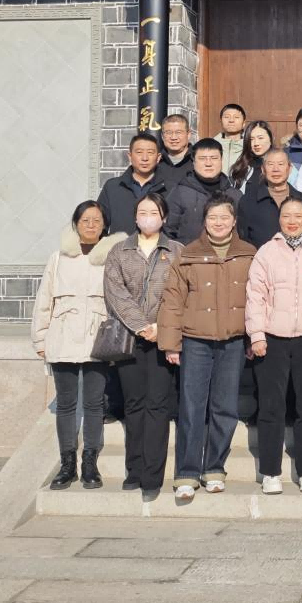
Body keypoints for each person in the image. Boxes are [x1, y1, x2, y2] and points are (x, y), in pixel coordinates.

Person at [157, 195, 256, 501]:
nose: (219, 223)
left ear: (234, 221)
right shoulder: (188, 255)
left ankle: (214, 467)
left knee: (225, 407)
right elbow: (172, 301)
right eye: (213, 218)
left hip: (233, 341)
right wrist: (171, 343)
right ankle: (187, 472)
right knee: (192, 406)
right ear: (204, 221)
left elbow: (257, 299)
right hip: (195, 340)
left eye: (224, 217)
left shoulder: (248, 254)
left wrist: (253, 337)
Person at [31, 200, 126, 491]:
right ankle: (67, 463)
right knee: (66, 403)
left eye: (97, 220)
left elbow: (119, 300)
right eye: (85, 220)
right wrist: (40, 338)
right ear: (76, 223)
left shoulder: (111, 257)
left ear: (104, 225)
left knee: (94, 403)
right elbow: (44, 299)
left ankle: (89, 462)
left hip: (97, 338)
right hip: (62, 335)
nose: (91, 225)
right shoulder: (58, 258)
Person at [245, 197, 302, 495]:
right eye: (286, 216)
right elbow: (255, 295)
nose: (292, 221)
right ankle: (270, 471)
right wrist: (256, 334)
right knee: (271, 406)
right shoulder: (266, 252)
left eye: (298, 216)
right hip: (273, 338)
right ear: (279, 219)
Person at [103, 192, 182, 500]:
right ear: (135, 217)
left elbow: (180, 293)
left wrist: (161, 326)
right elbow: (115, 292)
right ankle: (134, 469)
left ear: (164, 217)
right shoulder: (119, 251)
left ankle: (152, 475)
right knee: (134, 403)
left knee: (158, 405)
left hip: (165, 337)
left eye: (154, 212)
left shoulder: (176, 251)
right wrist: (141, 326)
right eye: (143, 212)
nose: (148, 217)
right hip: (130, 337)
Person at [165, 139, 242, 244]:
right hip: (189, 252)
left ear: (221, 160)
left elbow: (242, 231)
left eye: (214, 158)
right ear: (193, 161)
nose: (208, 163)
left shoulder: (234, 195)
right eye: (202, 158)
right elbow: (168, 231)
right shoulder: (180, 193)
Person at [236, 147, 302, 248]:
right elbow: (243, 238)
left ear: (290, 169)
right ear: (263, 169)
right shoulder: (248, 201)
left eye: (280, 164)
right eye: (270, 164)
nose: (276, 169)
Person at [96, 132, 165, 236]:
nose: (145, 158)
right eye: (139, 152)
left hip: (158, 246)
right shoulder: (113, 187)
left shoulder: (169, 187)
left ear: (158, 157)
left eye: (150, 153)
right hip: (120, 245)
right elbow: (100, 225)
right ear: (130, 156)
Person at [229, 120, 275, 192]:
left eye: (260, 138)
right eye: (251, 139)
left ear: (271, 139)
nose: (256, 143)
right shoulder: (241, 167)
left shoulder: (281, 165)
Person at [158, 114, 194, 191]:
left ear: (188, 135)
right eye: (168, 132)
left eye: (178, 132)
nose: (173, 137)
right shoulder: (155, 161)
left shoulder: (198, 160)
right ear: (162, 136)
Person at [214, 103, 247, 171]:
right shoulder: (211, 146)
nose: (231, 120)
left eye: (236, 117)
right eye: (227, 117)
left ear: (244, 123)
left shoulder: (250, 147)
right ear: (221, 121)